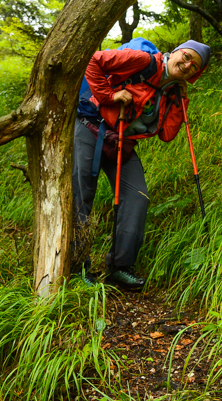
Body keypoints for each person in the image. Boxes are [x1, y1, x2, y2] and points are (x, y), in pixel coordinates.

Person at [71, 39, 210, 289]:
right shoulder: (143, 61)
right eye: (187, 57)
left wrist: (181, 101)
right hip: (90, 128)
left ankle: (120, 267)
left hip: (121, 141)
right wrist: (110, 95)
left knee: (137, 196)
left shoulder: (173, 92)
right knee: (82, 195)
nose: (188, 65)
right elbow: (94, 60)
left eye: (195, 66)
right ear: (177, 52)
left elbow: (167, 134)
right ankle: (77, 266)